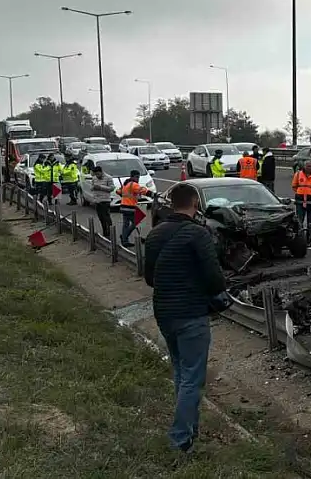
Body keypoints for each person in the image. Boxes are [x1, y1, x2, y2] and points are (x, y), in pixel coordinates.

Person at [143, 183, 228, 453]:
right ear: (195, 204)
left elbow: (149, 278)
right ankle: (181, 440)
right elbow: (215, 280)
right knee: (193, 377)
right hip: (191, 313)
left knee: (181, 370)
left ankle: (190, 427)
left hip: (164, 313)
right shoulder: (197, 234)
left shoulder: (155, 234)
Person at [116, 169, 150, 248]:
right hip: (130, 207)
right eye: (137, 177)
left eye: (138, 177)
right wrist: (152, 194)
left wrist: (121, 194)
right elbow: (142, 190)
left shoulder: (126, 184)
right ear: (133, 177)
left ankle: (124, 240)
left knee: (126, 224)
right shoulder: (134, 184)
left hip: (123, 207)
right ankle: (124, 237)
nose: (138, 179)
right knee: (136, 222)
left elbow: (118, 191)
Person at [291, 160, 311, 235]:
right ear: (304, 166)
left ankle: (309, 238)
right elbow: (294, 186)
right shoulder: (298, 174)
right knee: (299, 221)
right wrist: (301, 192)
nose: (309, 168)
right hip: (300, 202)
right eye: (308, 166)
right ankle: (300, 236)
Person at [90, 165, 115, 239]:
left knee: (106, 217)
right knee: (101, 217)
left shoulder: (108, 177)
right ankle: (105, 232)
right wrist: (94, 188)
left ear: (101, 172)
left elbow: (112, 188)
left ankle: (110, 232)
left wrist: (101, 187)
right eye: (96, 174)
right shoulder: (94, 178)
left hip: (105, 200)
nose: (97, 176)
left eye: (98, 174)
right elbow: (91, 188)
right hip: (97, 201)